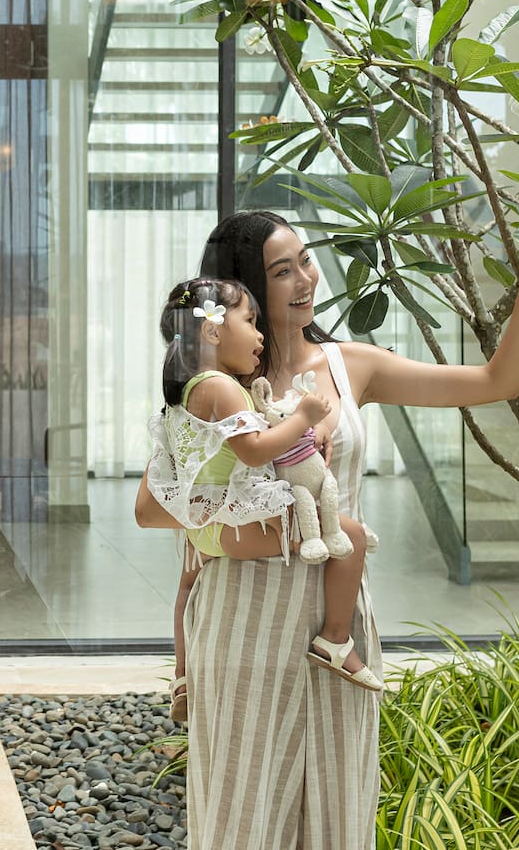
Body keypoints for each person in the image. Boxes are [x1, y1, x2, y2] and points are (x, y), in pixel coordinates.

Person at [137, 209, 519, 848]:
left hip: (336, 627)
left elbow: (496, 381)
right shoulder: (213, 389)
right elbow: (151, 506)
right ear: (241, 293)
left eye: (306, 261)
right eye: (282, 271)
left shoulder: (349, 366)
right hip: (243, 619)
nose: (306, 279)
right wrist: (264, 530)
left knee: (339, 814)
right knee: (240, 818)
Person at [145, 278, 380, 725]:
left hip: (207, 529)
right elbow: (256, 449)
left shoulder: (188, 388)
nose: (259, 335)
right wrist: (307, 418)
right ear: (213, 331)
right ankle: (335, 639)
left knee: (185, 588)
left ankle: (182, 676)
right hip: (236, 524)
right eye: (250, 321)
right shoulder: (223, 387)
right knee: (349, 535)